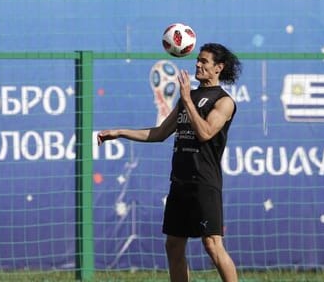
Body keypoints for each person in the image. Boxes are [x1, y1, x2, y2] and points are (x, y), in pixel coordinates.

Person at [97, 43, 242, 282]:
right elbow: (160, 133)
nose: (198, 64)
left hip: (204, 182)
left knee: (212, 244)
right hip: (180, 181)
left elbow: (205, 132)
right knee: (173, 245)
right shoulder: (191, 97)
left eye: (204, 61)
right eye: (198, 60)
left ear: (219, 68)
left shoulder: (224, 102)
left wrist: (186, 99)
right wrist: (119, 132)